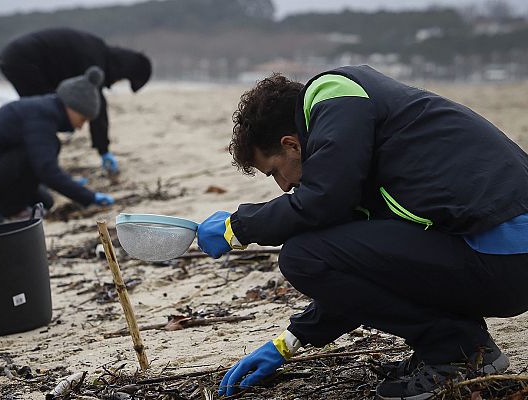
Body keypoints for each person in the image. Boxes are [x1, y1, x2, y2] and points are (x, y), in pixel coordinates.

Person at [196, 65, 528, 399]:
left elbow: (322, 202)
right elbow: (362, 273)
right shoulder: (364, 150)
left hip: (505, 257)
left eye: (274, 172)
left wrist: (237, 226)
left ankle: (456, 352)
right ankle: (465, 346)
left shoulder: (335, 96)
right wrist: (286, 344)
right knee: (316, 252)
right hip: (503, 263)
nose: (284, 186)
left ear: (292, 144)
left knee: (301, 255)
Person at [0, 66, 115, 218]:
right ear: (71, 107)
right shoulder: (41, 117)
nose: (81, 126)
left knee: (45, 201)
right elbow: (46, 170)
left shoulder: (44, 109)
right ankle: (9, 212)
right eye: (82, 119)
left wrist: (70, 185)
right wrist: (89, 197)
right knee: (38, 156)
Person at [0, 28, 153, 175]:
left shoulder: (96, 51)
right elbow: (97, 106)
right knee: (42, 116)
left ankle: (34, 165)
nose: (116, 82)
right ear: (123, 69)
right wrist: (104, 150)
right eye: (122, 79)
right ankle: (36, 169)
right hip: (22, 59)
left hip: (16, 56)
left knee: (44, 114)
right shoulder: (94, 58)